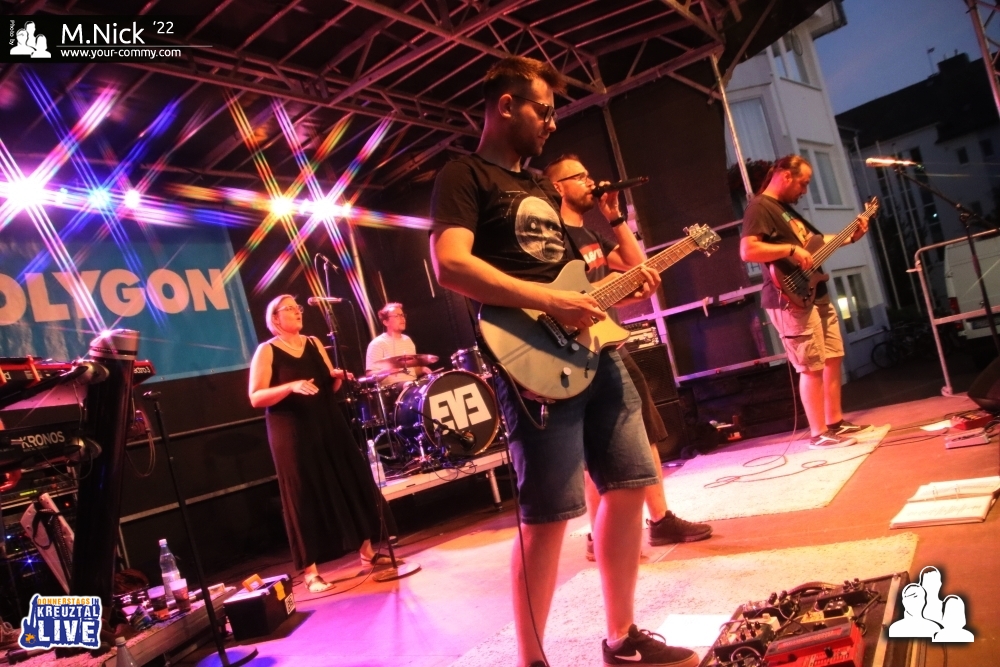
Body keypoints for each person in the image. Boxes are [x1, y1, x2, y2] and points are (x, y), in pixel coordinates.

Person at [430, 56, 697, 667]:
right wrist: (551, 301)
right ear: (506, 105)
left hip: (597, 350)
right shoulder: (464, 175)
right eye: (544, 110)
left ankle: (622, 638)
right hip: (531, 363)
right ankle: (532, 659)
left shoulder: (538, 190)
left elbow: (572, 278)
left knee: (629, 485)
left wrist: (621, 288)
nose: (552, 123)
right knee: (547, 517)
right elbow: (451, 264)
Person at [543, 154, 712, 557]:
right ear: (557, 187)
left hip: (608, 343)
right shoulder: (551, 236)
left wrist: (615, 218)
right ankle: (599, 533)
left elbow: (637, 268)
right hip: (574, 351)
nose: (590, 181)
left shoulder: (590, 235)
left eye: (589, 174)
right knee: (595, 448)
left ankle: (659, 520)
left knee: (642, 431)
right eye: (579, 176)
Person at [249, 295, 401, 593]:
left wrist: (337, 378)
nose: (297, 312)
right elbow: (255, 397)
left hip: (328, 422)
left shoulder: (314, 342)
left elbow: (327, 386)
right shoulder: (267, 350)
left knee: (348, 481)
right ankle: (311, 572)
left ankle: (367, 553)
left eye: (298, 308)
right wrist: (290, 386)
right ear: (275, 318)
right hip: (292, 431)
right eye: (289, 309)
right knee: (305, 495)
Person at [739, 155, 871, 450]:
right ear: (786, 175)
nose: (805, 190)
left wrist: (851, 237)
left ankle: (834, 422)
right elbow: (748, 251)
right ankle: (818, 433)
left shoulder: (785, 210)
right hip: (790, 297)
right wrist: (789, 250)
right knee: (810, 366)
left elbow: (814, 243)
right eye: (803, 183)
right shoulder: (760, 207)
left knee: (832, 357)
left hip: (813, 292)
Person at [365, 302, 431, 385]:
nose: (402, 318)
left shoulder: (408, 340)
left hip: (411, 385)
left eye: (402, 315)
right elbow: (369, 376)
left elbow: (412, 371)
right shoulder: (377, 343)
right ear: (386, 322)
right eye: (397, 316)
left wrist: (422, 369)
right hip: (392, 389)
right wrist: (386, 372)